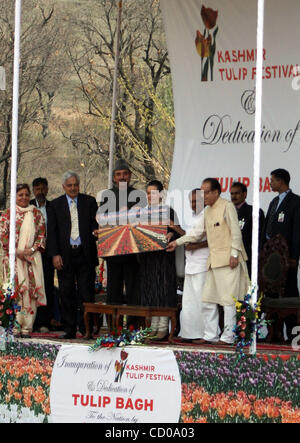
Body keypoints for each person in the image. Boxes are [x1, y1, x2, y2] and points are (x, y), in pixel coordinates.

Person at [168, 178, 249, 345]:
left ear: (216, 192)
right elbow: (196, 234)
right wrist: (177, 242)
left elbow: (236, 233)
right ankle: (210, 335)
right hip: (213, 261)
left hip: (228, 260)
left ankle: (227, 337)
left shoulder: (227, 206)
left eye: (205, 192)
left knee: (228, 300)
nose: (202, 195)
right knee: (208, 299)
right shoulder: (207, 211)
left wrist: (234, 254)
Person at [47, 171, 98, 339]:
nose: (73, 188)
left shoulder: (89, 202)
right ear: (63, 187)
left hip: (85, 254)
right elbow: (52, 233)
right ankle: (69, 329)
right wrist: (55, 254)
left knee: (86, 293)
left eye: (75, 184)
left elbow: (94, 224)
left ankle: (86, 329)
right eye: (69, 185)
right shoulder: (55, 205)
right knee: (66, 293)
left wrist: (95, 231)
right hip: (64, 255)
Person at [97, 160, 147, 324]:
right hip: (114, 251)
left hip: (133, 252)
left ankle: (133, 327)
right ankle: (113, 328)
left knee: (134, 290)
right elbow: (103, 221)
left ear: (130, 175)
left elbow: (142, 220)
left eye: (125, 173)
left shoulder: (139, 196)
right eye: (118, 174)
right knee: (113, 291)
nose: (122, 177)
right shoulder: (107, 196)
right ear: (114, 177)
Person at [138, 180, 184, 340]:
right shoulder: (141, 213)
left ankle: (163, 327)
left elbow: (179, 232)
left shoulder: (168, 211)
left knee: (163, 291)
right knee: (150, 292)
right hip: (147, 259)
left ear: (161, 195)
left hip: (164, 259)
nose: (151, 196)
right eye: (149, 193)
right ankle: (152, 327)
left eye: (154, 193)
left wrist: (171, 234)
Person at [0, 184, 46, 338]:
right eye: (20, 195)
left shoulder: (36, 213)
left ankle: (27, 327)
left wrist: (31, 250)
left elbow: (41, 236)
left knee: (30, 293)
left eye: (26, 194)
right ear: (15, 196)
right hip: (13, 260)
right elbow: (3, 236)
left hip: (31, 260)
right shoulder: (7, 214)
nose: (24, 198)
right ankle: (14, 325)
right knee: (16, 291)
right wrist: (17, 252)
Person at [261, 168, 300, 341]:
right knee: (270, 296)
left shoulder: (296, 202)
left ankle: (294, 336)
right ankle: (273, 334)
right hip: (270, 260)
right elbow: (266, 229)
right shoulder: (273, 202)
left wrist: (295, 257)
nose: (270, 183)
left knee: (290, 295)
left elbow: (297, 232)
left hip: (287, 259)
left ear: (281, 181)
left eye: (272, 180)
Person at [178, 188, 209, 341]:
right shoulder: (191, 216)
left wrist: (195, 246)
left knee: (202, 301)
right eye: (191, 201)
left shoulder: (208, 215)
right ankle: (189, 333)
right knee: (189, 301)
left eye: (196, 201)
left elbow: (213, 239)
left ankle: (204, 334)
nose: (193, 204)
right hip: (190, 264)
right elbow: (189, 237)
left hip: (203, 263)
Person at [30, 177, 57, 333]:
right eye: (37, 189)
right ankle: (30, 321)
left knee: (46, 287)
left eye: (43, 188)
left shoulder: (54, 207)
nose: (40, 191)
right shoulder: (28, 207)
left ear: (47, 189)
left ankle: (44, 322)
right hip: (31, 255)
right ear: (34, 190)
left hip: (47, 255)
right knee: (32, 287)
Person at [230, 181, 265, 277]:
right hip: (230, 260)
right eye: (232, 194)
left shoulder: (254, 212)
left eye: (237, 193)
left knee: (248, 290)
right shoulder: (227, 213)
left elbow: (259, 238)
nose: (233, 196)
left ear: (244, 194)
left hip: (248, 260)